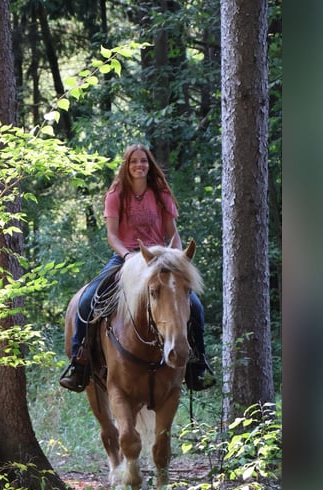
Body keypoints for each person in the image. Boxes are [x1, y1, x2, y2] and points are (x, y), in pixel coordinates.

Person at [60, 144, 212, 392]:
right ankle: (80, 363)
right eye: (134, 161)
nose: (139, 165)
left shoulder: (160, 193)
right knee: (88, 299)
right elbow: (112, 236)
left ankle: (197, 364)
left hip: (160, 260)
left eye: (143, 161)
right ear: (126, 166)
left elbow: (173, 234)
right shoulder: (116, 194)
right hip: (126, 258)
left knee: (194, 305)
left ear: (149, 164)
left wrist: (176, 256)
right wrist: (128, 256)